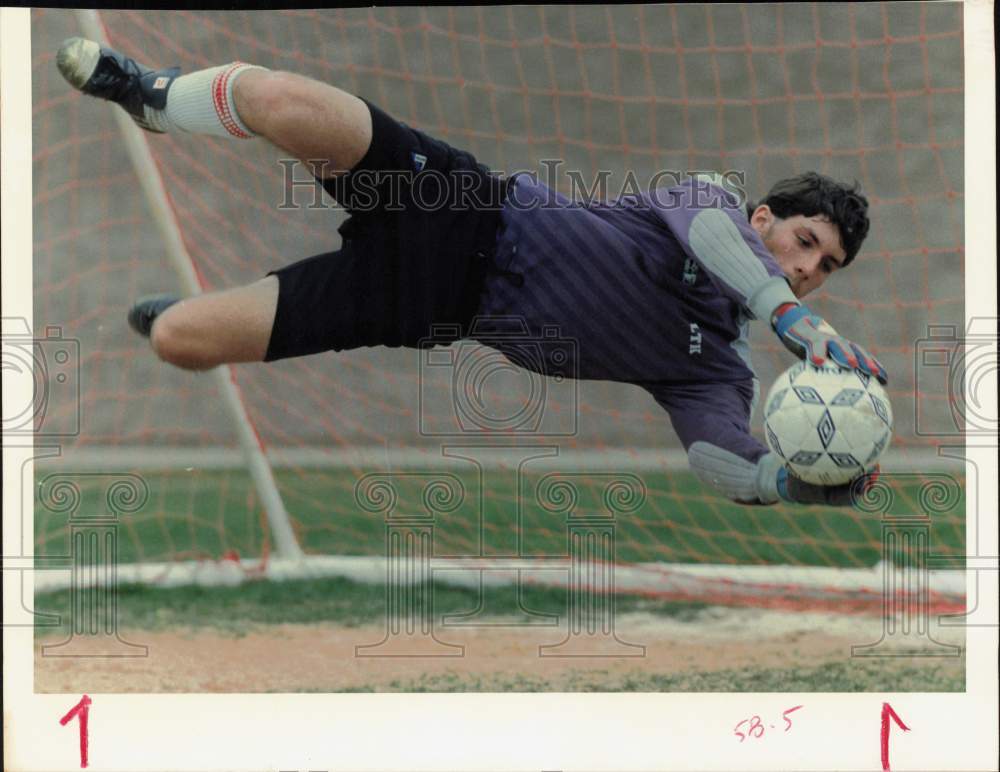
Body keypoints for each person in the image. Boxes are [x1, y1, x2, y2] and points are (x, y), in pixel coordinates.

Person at [56, 37, 887, 508]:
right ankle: (151, 95)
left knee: (179, 339)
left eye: (824, 268)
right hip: (458, 202)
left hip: (428, 304)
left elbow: (719, 459)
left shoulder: (716, 369)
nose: (808, 267)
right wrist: (789, 315)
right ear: (767, 220)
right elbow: (713, 235)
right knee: (282, 104)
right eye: (805, 240)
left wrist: (791, 481)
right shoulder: (710, 204)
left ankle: (184, 309)